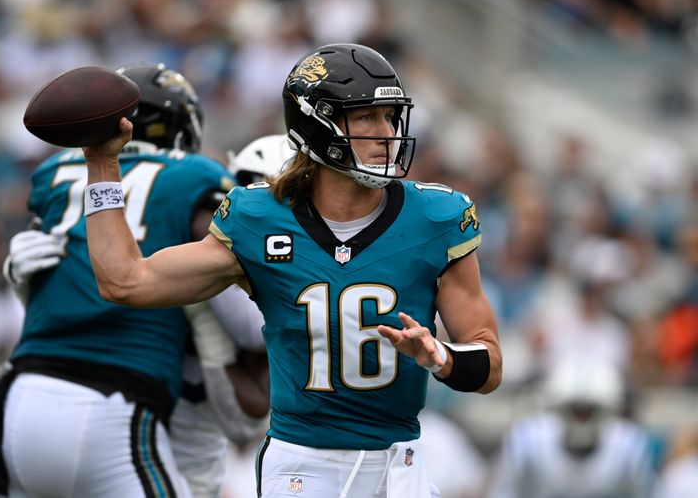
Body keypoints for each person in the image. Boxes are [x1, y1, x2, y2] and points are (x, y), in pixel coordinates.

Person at [83, 43, 502, 497]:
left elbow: (491, 364)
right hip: (303, 465)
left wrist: (440, 356)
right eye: (366, 117)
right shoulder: (256, 218)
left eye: (389, 116)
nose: (386, 132)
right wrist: (102, 166)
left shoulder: (436, 218)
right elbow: (124, 281)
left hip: (399, 464)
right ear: (316, 123)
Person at [0, 62, 266, 498]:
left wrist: (30, 294)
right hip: (118, 400)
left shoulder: (54, 174)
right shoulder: (197, 179)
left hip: (22, 390)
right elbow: (251, 332)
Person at [488, 358, 655, 498]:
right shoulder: (527, 442)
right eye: (575, 411)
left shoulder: (628, 448)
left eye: (590, 412)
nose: (582, 421)